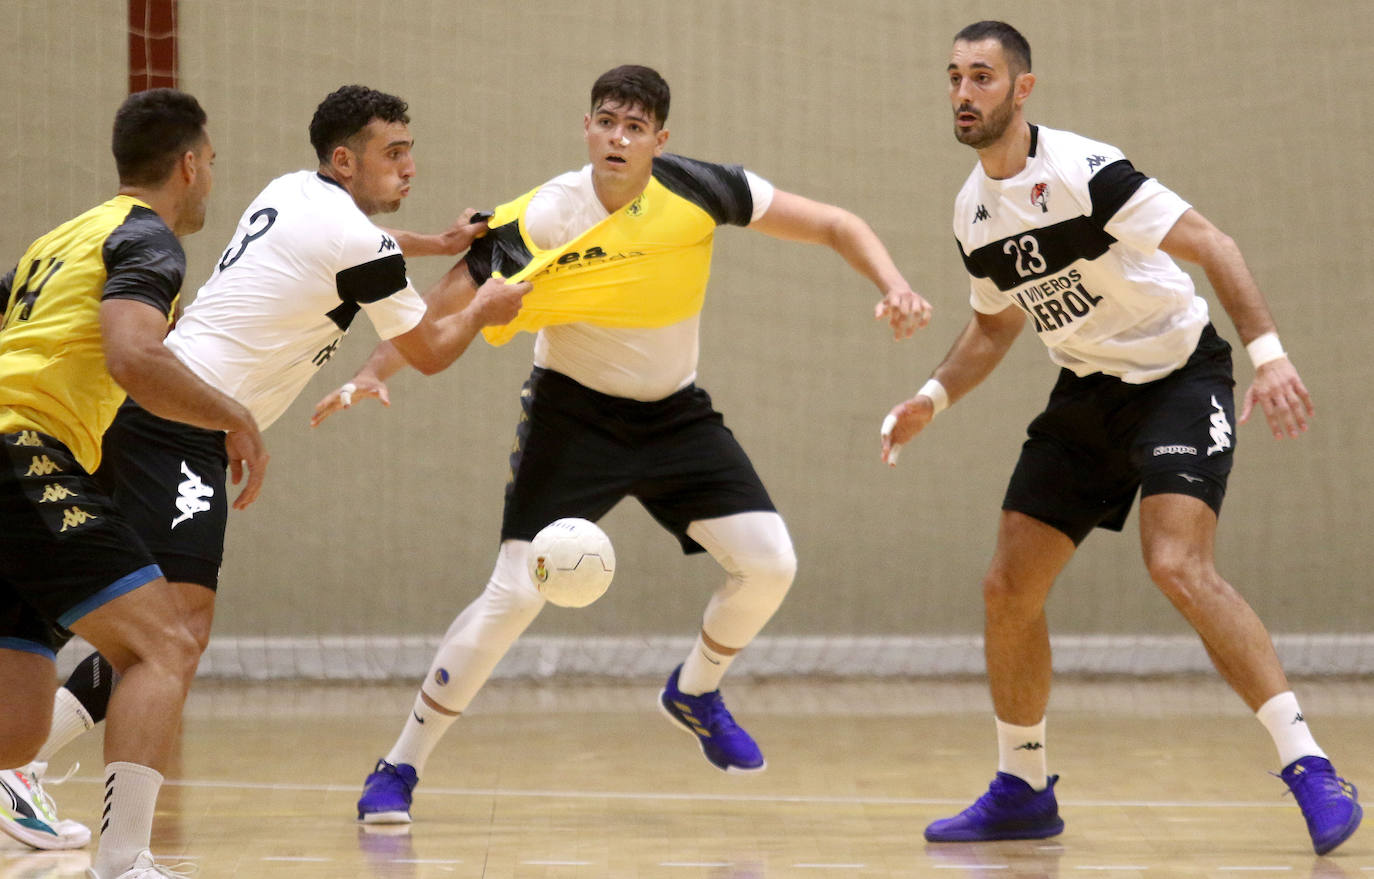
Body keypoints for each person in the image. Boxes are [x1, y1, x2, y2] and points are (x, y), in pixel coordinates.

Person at [311, 63, 931, 824]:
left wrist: (893, 282)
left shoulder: (701, 188)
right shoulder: (543, 214)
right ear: (587, 127)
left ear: (658, 140)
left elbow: (836, 223)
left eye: (635, 127)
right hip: (575, 419)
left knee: (771, 562)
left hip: (676, 416)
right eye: (606, 121)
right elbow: (438, 308)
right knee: (513, 596)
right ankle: (399, 766)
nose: (618, 136)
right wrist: (377, 370)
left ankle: (695, 690)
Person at [0, 84, 529, 856]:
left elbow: (357, 247)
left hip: (161, 419)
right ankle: (74, 812)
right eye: (394, 152)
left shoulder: (293, 190)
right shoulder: (353, 245)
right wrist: (483, 305)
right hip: (180, 420)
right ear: (345, 161)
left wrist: (435, 243)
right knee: (169, 635)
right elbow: (429, 351)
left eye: (412, 150)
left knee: (152, 622)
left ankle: (29, 763)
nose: (410, 165)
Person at [879, 21, 1360, 855]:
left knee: (1176, 563)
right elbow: (993, 328)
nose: (963, 93)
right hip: (1088, 392)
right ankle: (1023, 786)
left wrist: (1270, 358)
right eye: (954, 77)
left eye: (982, 77)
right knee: (1007, 587)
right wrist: (932, 396)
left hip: (1179, 376)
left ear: (1022, 89)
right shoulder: (972, 212)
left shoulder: (1086, 172)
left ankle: (1310, 764)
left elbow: (1213, 244)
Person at [0, 88, 269, 879]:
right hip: (23, 451)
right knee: (165, 642)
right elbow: (133, 356)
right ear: (189, 165)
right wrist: (237, 417)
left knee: (16, 725)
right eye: (212, 163)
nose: (212, 178)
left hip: (18, 457)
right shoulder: (146, 239)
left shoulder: (61, 239)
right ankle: (127, 862)